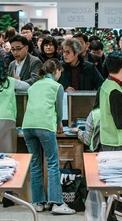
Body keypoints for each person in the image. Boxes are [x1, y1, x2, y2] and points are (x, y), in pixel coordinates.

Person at [22, 59, 75, 215]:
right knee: (52, 163)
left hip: (27, 126)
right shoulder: (57, 86)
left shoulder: (33, 86)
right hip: (45, 125)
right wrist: (59, 124)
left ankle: (38, 202)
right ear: (56, 71)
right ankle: (57, 202)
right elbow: (59, 110)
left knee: (35, 163)